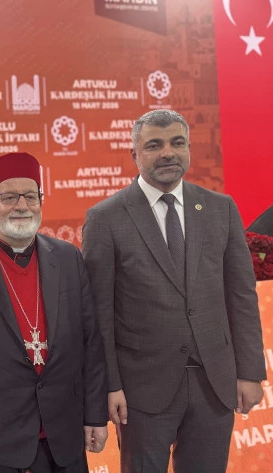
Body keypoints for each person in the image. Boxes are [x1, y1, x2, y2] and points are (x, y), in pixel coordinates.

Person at [82, 109, 266, 473]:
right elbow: (98, 313)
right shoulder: (106, 218)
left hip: (215, 383)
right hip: (141, 390)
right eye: (154, 145)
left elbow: (241, 297)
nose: (168, 153)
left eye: (177, 143)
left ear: (189, 149)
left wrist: (249, 372)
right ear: (134, 154)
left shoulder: (221, 208)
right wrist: (109, 385)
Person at [0, 152, 108, 473]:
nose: (22, 205)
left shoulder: (68, 257)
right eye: (9, 197)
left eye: (30, 196)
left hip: (63, 431)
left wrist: (96, 414)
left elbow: (91, 343)